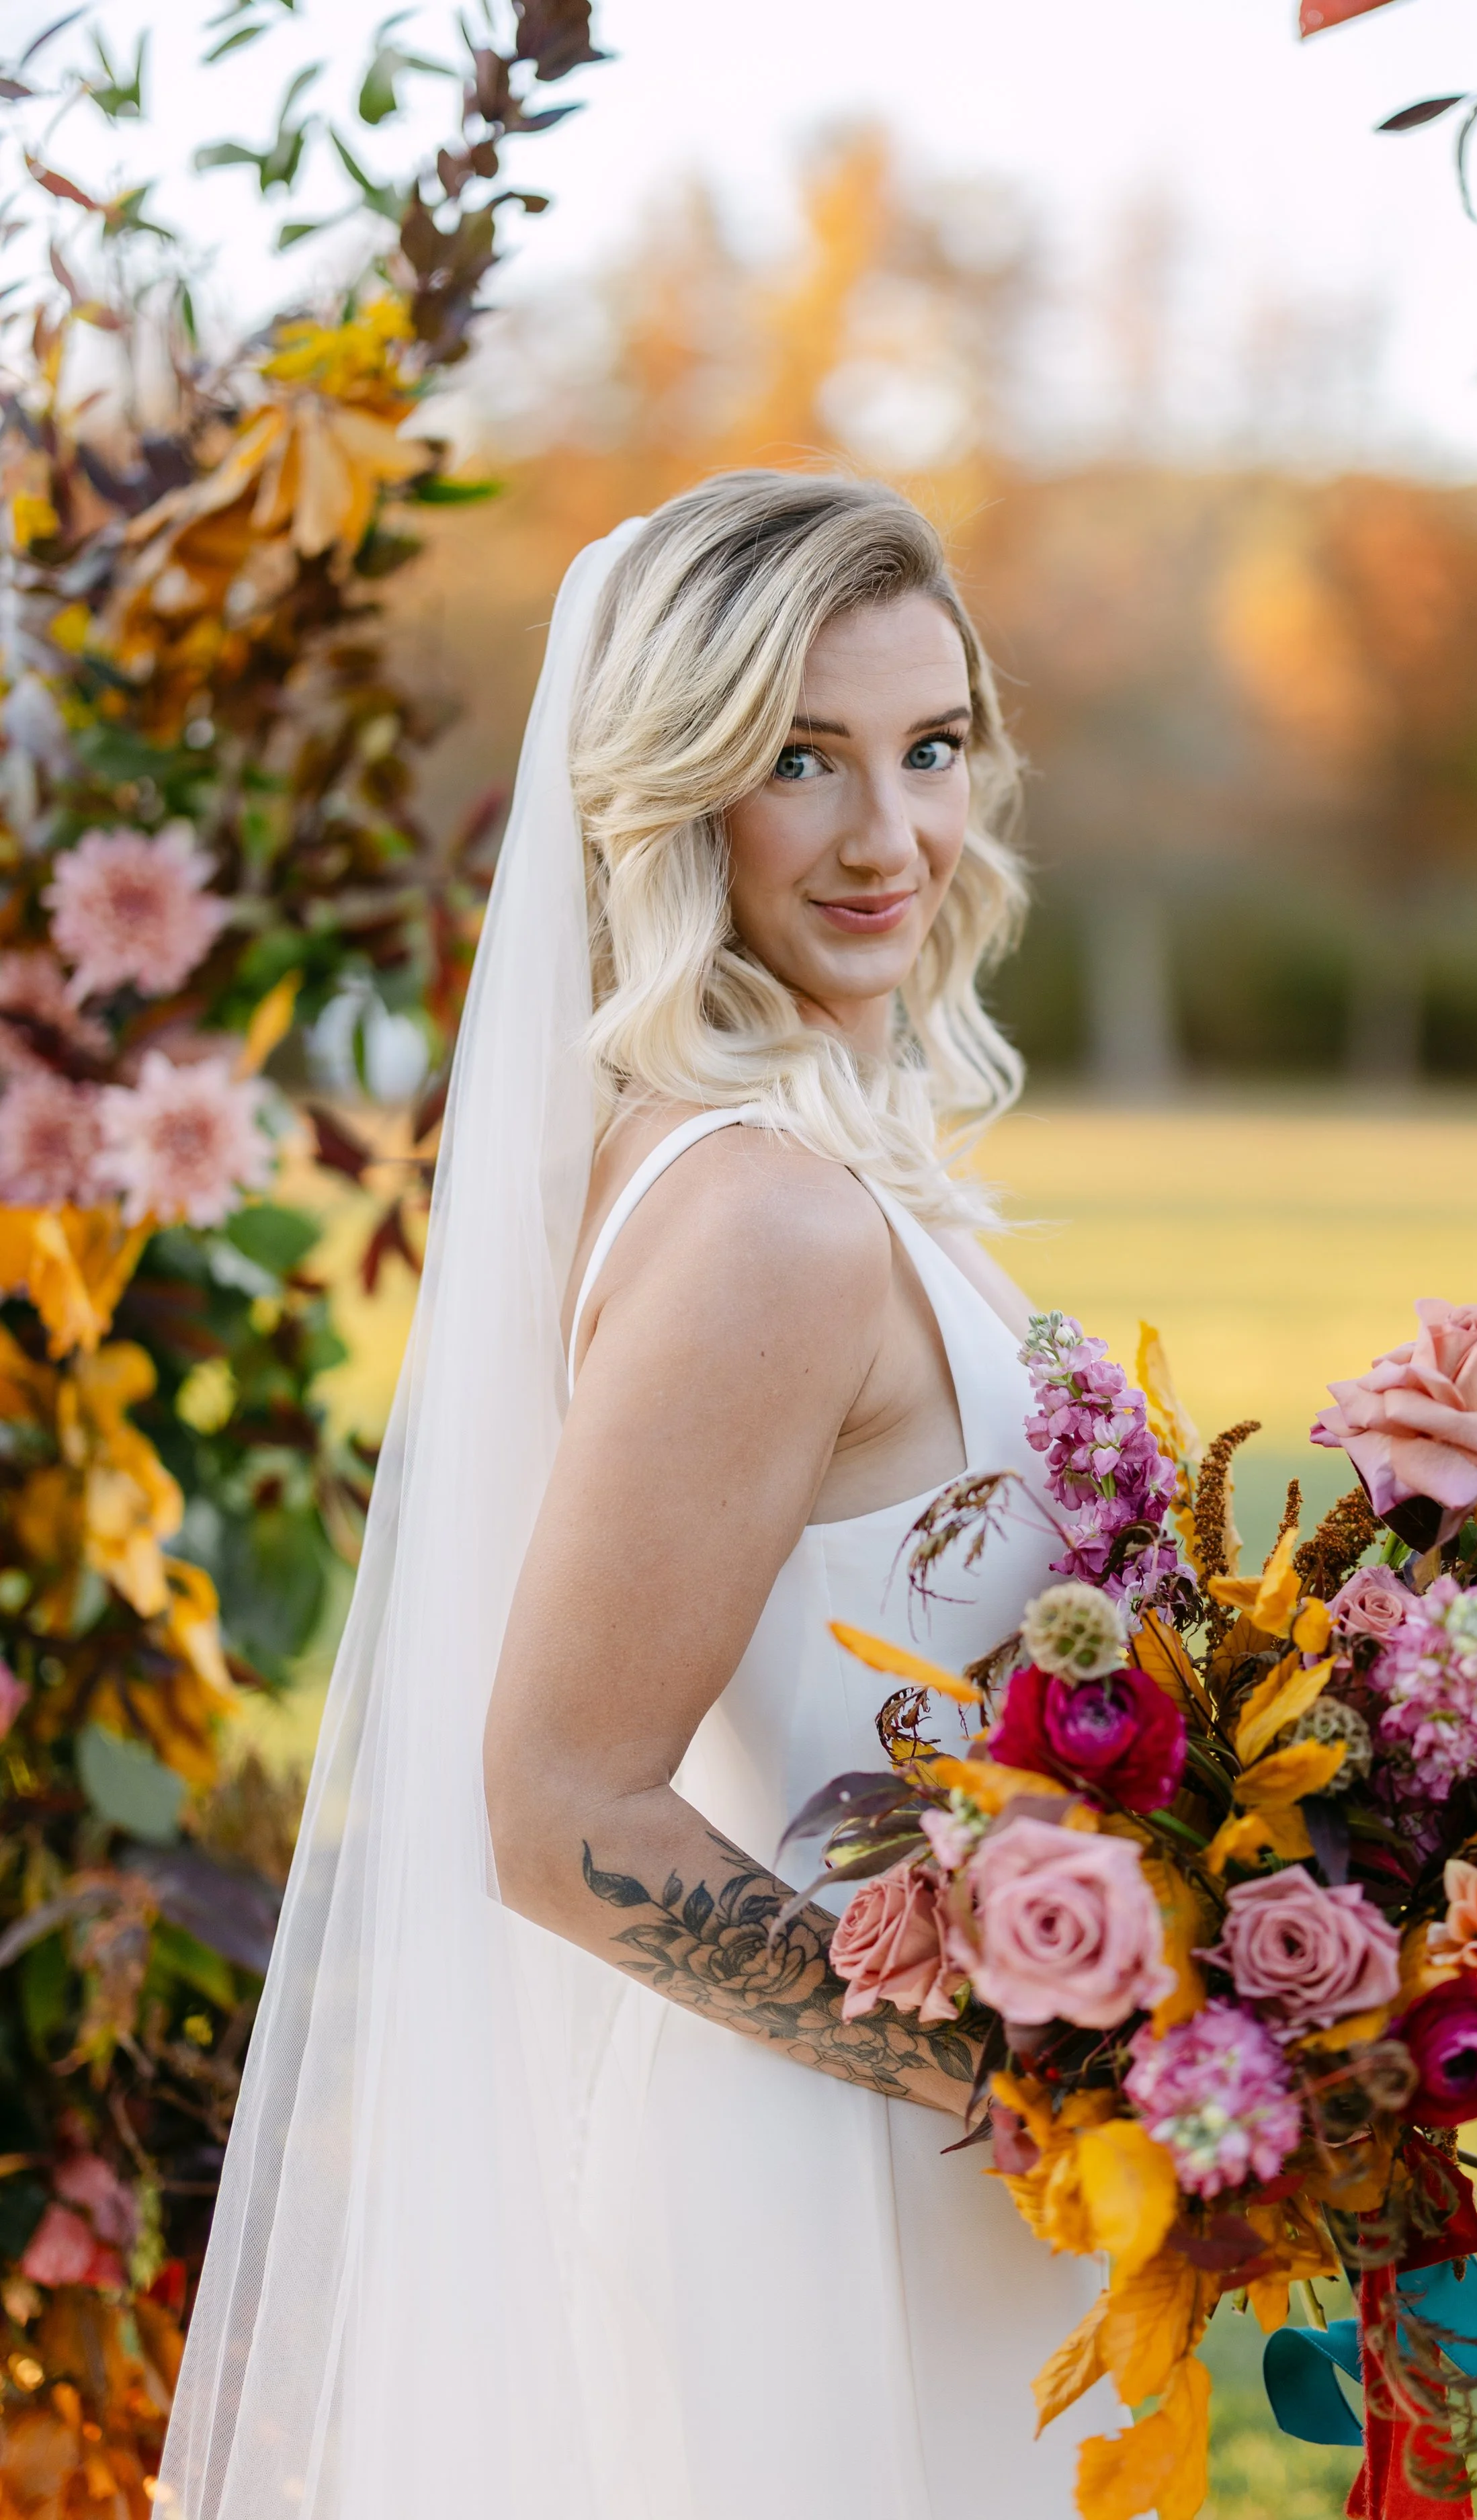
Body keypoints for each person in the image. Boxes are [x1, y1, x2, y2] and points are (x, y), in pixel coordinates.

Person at [160, 474, 1097, 2520]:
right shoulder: (763, 1220)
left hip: (910, 2146)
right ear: (672, 789)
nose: (890, 837)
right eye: (797, 758)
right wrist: (1009, 2081)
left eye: (929, 747)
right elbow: (562, 1810)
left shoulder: (752, 1161)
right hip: (836, 2181)